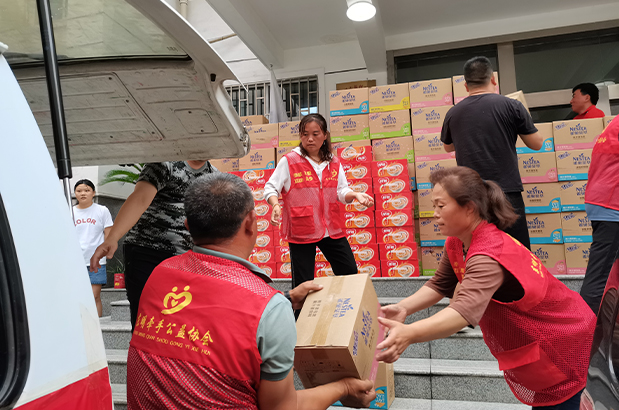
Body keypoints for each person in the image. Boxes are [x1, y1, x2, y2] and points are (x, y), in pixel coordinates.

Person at [126, 173, 375, 409]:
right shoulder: (268, 307)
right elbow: (281, 408)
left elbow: (209, 313)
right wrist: (344, 387)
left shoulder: (160, 273)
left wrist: (286, 300)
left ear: (188, 226)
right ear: (251, 222)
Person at [376, 166, 595, 410]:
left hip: (563, 339)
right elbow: (440, 284)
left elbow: (462, 312)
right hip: (547, 336)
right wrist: (404, 308)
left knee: (562, 401)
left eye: (440, 206)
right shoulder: (458, 241)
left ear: (469, 208)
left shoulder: (488, 255)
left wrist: (409, 333)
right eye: (433, 206)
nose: (434, 214)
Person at [90, 161, 216, 329]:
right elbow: (140, 199)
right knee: (146, 318)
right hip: (147, 250)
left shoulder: (214, 176)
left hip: (186, 257)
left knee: (180, 321)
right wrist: (112, 238)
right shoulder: (166, 164)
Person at [441, 56, 544, 250]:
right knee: (516, 250)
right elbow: (537, 144)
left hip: (472, 195)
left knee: (478, 249)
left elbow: (448, 147)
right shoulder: (512, 106)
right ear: (493, 79)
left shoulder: (453, 113)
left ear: (466, 85)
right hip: (507, 193)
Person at [264, 113, 374, 290]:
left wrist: (355, 195)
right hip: (302, 228)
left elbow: (341, 191)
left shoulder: (333, 162)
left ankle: (344, 304)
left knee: (348, 270)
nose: (310, 139)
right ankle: (300, 309)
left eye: (315, 134)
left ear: (325, 135)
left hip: (330, 227)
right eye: (305, 134)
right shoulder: (290, 160)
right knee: (303, 282)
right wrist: (275, 204)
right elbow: (271, 187)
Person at [580, 116, 619, 314]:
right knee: (600, 276)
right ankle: (585, 325)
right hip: (612, 204)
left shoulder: (615, 123)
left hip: (602, 200)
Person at [73, 179, 113, 317]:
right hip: (75, 261)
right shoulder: (70, 212)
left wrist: (107, 251)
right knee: (78, 298)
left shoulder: (102, 210)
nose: (83, 193)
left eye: (86, 190)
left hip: (96, 261)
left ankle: (98, 326)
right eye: (79, 191)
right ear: (75, 194)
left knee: (94, 296)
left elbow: (109, 233)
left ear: (93, 193)